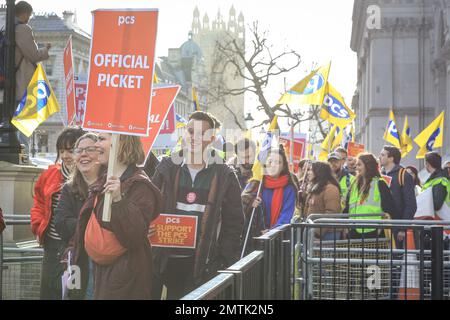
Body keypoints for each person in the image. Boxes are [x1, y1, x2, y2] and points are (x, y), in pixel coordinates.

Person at [151, 111, 244, 300]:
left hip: (202, 264)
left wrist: (221, 260)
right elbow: (148, 207)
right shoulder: (166, 167)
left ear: (211, 139)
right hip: (163, 261)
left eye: (201, 134)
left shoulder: (225, 174)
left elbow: (234, 223)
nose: (194, 137)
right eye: (190, 131)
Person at [69, 133, 162, 300]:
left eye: (102, 139)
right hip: (98, 273)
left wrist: (119, 201)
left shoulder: (141, 186)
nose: (96, 145)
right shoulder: (103, 181)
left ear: (121, 143)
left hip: (125, 280)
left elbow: (133, 237)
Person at [30, 126, 85, 300]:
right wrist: (38, 225)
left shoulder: (89, 176)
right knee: (49, 290)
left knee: (73, 291)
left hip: (77, 247)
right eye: (62, 150)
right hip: (51, 245)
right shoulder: (49, 174)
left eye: (70, 150)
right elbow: (38, 201)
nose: (65, 155)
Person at [245, 145, 299, 234]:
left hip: (277, 237)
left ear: (283, 166)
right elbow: (240, 206)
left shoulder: (289, 188)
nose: (273, 165)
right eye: (270, 161)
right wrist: (250, 203)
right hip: (252, 236)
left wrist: (271, 232)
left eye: (278, 162)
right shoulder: (255, 183)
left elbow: (286, 215)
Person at [344, 153, 397, 239]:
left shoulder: (380, 183)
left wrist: (382, 227)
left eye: (359, 165)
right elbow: (347, 207)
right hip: (353, 232)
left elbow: (390, 209)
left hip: (374, 232)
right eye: (356, 165)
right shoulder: (353, 184)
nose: (356, 167)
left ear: (368, 166)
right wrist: (346, 227)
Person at [379, 146, 417, 247]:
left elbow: (411, 205)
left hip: (396, 226)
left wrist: (402, 228)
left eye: (382, 155)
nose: (379, 157)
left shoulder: (403, 175)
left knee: (395, 258)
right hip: (381, 225)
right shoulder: (379, 174)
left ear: (391, 158)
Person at [14, 1, 51, 101]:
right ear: (25, 13)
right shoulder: (23, 28)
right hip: (20, 80)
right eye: (29, 15)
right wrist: (46, 49)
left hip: (9, 81)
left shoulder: (7, 27)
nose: (28, 19)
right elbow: (34, 55)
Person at [303, 161, 341, 240]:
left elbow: (332, 213)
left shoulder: (330, 189)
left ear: (319, 172)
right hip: (314, 231)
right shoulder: (316, 188)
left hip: (327, 234)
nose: (308, 172)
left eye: (311, 170)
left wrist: (317, 233)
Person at [421, 152, 449, 219]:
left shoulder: (440, 179)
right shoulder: (436, 178)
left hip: (441, 220)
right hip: (437, 219)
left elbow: (437, 204)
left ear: (427, 164)